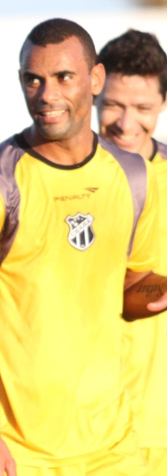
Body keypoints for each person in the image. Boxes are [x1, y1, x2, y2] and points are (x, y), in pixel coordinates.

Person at [0, 18, 167, 476]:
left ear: (94, 79)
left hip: (114, 447)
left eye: (63, 77)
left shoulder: (132, 176)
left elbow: (133, 290)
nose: (47, 95)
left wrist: (160, 290)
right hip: (20, 451)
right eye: (34, 79)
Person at [95, 29, 167, 476]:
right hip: (78, 429)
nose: (127, 122)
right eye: (115, 105)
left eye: (142, 108)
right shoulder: (57, 178)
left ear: (162, 105)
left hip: (158, 427)